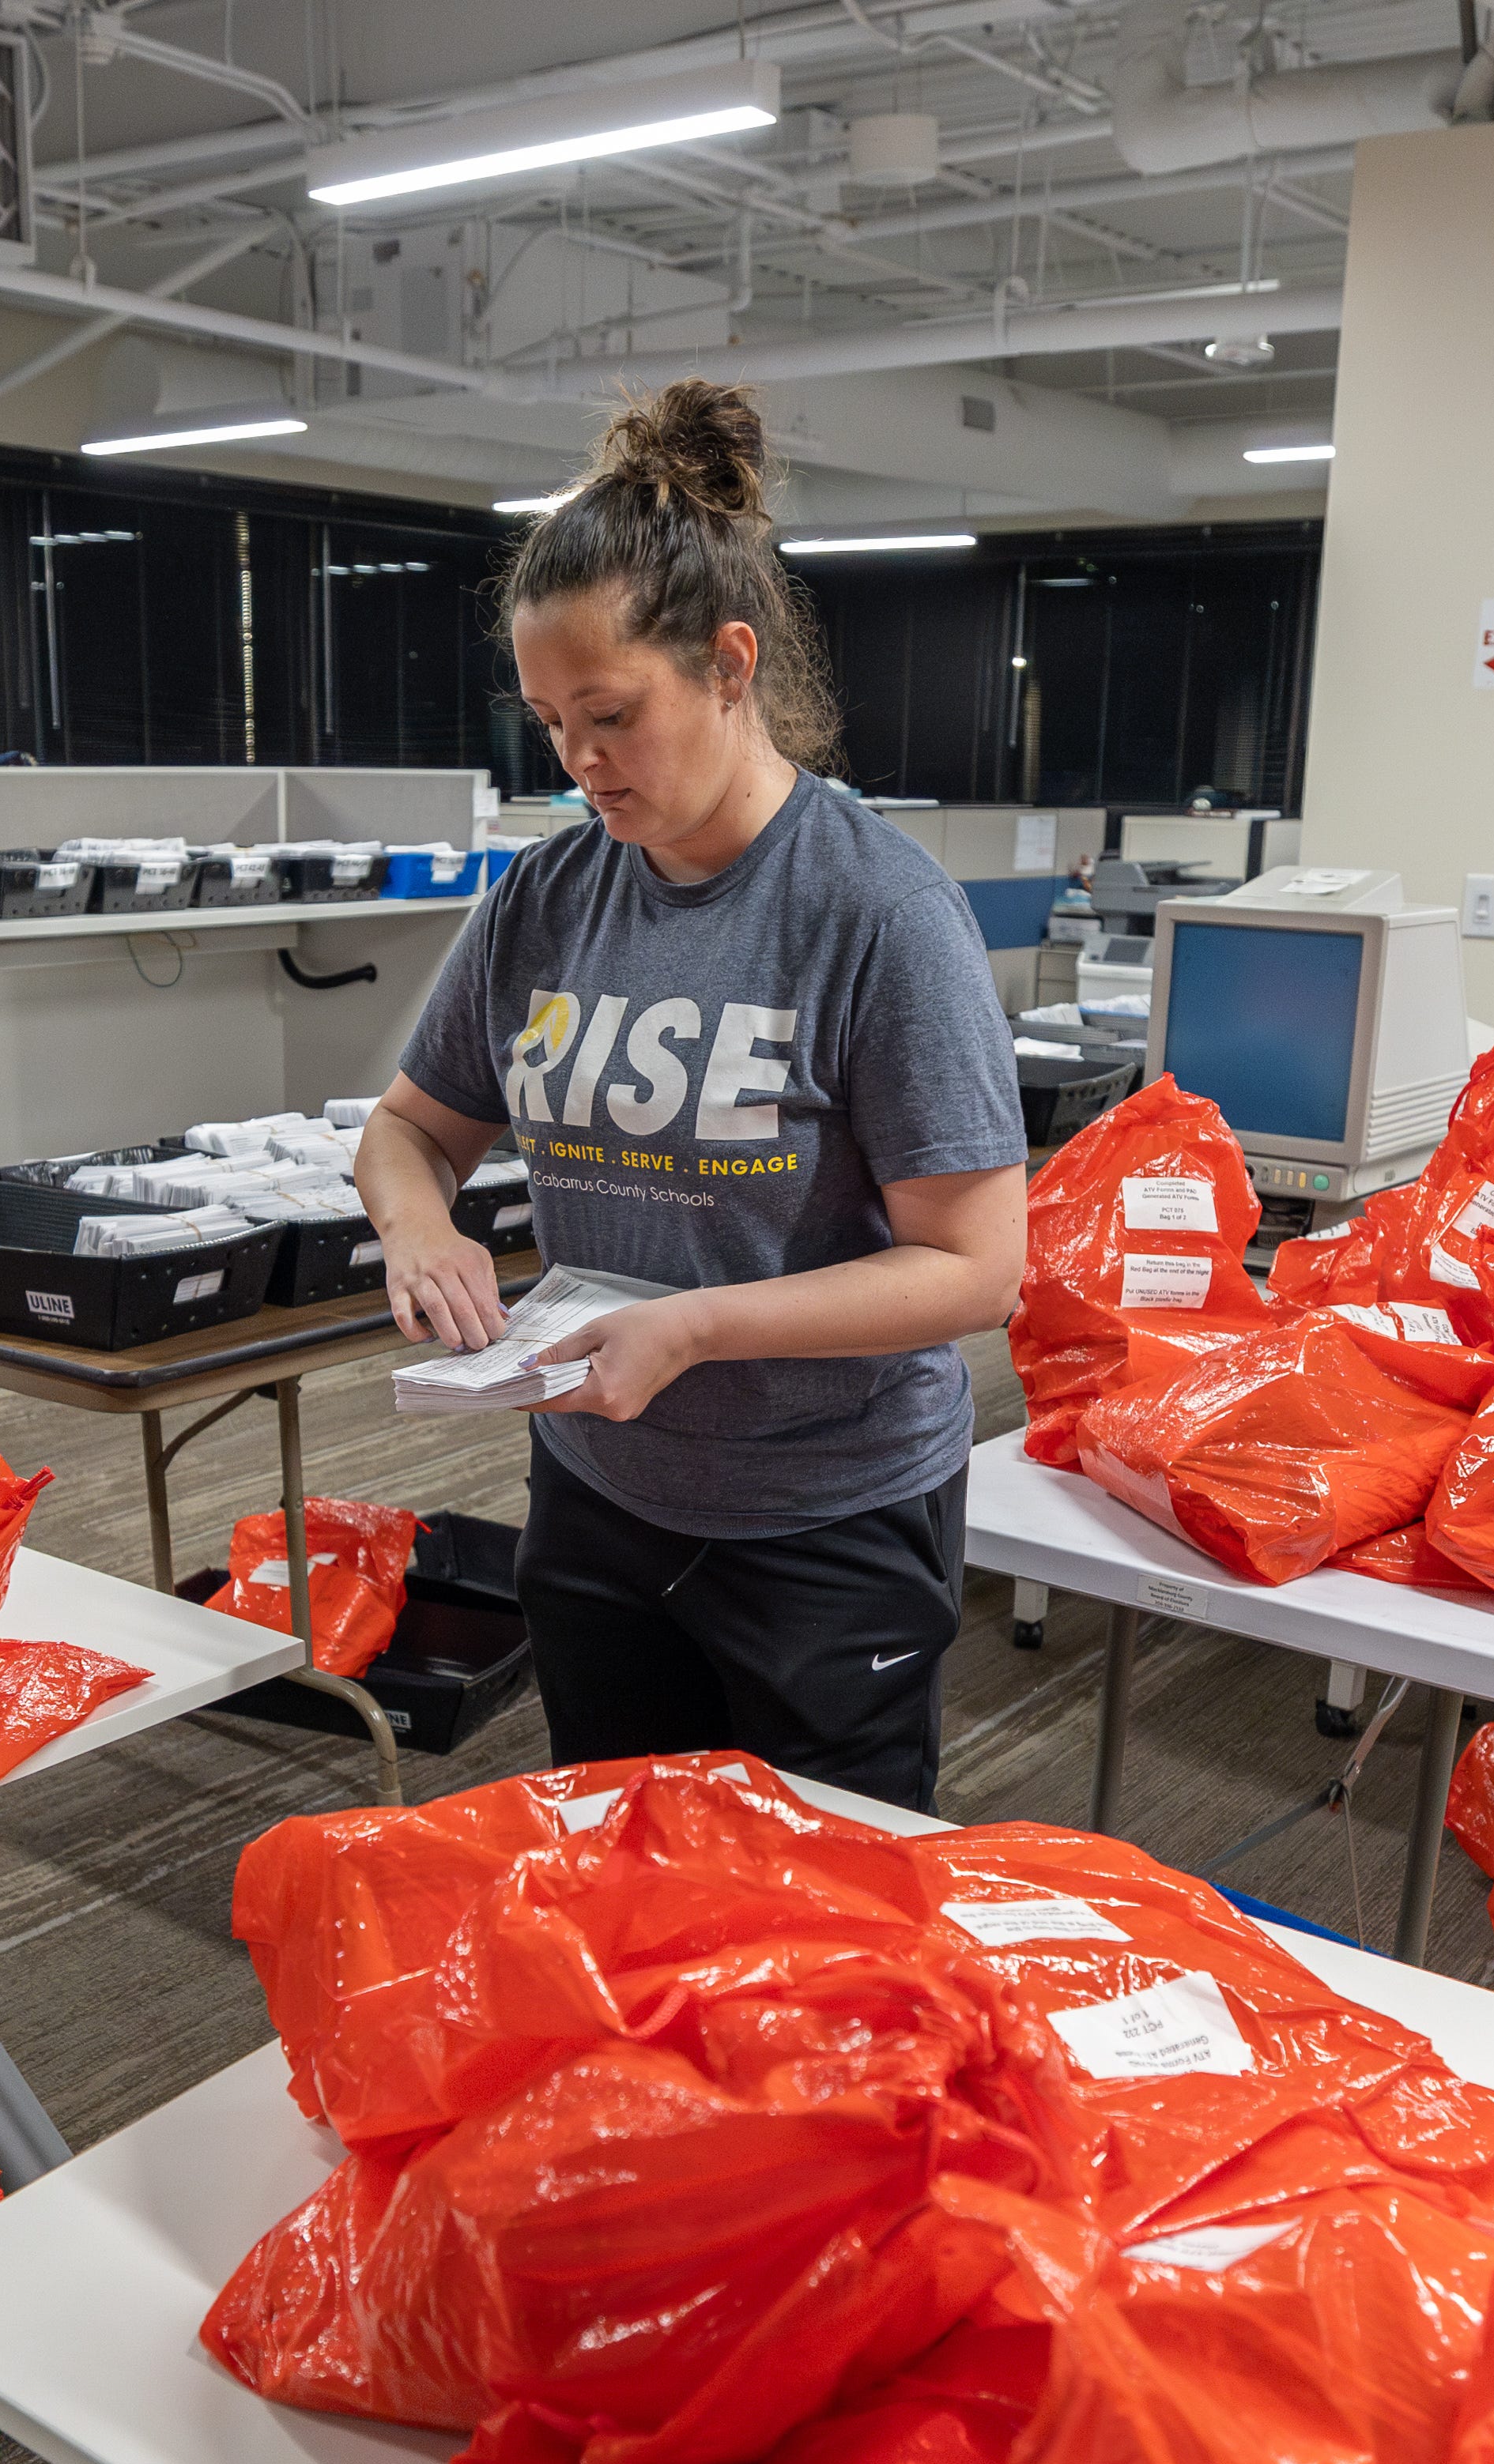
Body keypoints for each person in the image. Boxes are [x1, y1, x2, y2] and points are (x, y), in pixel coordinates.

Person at [354, 380, 1028, 1811]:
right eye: (547, 722)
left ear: (730, 665)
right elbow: (411, 1126)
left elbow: (977, 1269)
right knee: (619, 1884)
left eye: (610, 714)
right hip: (596, 1497)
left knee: (818, 1940)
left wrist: (696, 1327)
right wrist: (419, 1229)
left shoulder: (877, 913)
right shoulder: (547, 894)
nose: (579, 763)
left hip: (821, 1521)